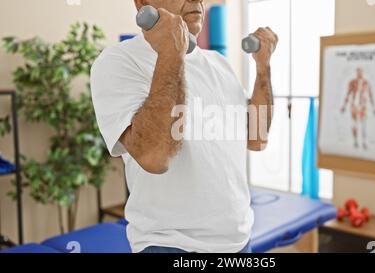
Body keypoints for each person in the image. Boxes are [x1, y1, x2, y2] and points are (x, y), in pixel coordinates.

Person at [90, 0, 278, 253]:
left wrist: (263, 68)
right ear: (142, 3)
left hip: (238, 243)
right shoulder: (118, 61)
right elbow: (155, 157)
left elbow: (257, 138)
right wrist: (170, 53)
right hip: (171, 245)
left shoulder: (219, 64)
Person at [340, 67, 375, 150]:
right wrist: (344, 106)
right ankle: (355, 141)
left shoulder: (366, 83)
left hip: (362, 106)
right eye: (358, 72)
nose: (359, 74)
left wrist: (374, 107)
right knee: (354, 124)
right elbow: (348, 94)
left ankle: (364, 142)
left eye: (360, 72)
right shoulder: (352, 82)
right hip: (354, 106)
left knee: (363, 125)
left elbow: (370, 95)